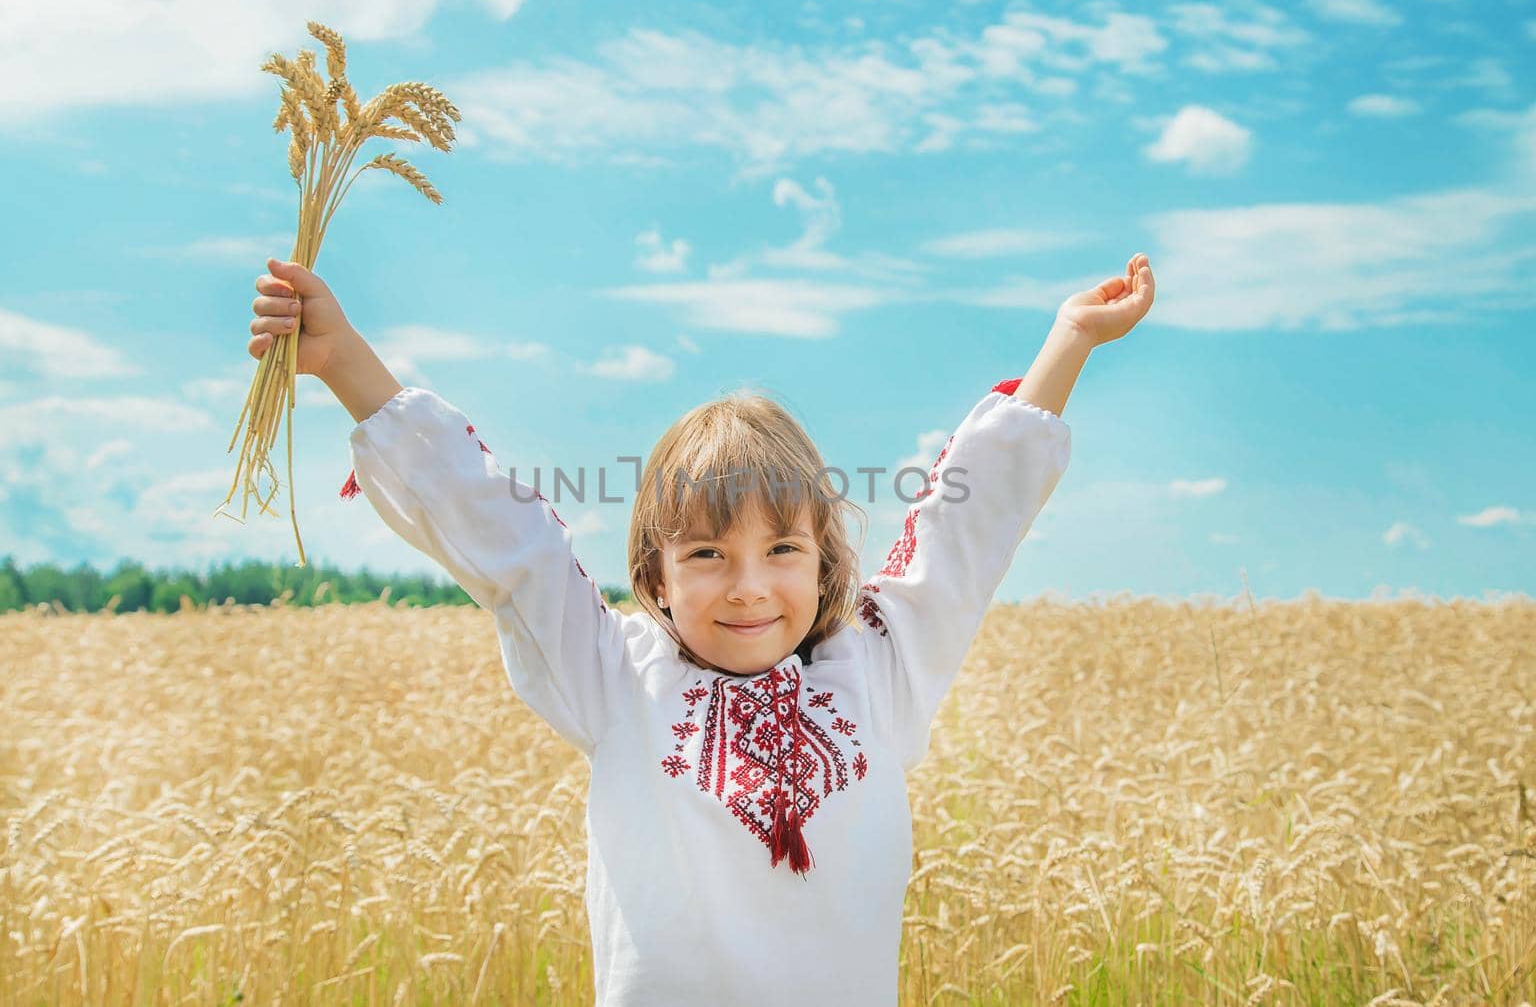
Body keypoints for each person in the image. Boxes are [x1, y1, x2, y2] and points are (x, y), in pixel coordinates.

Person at [245, 252, 1155, 1005]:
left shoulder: (879, 666)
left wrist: (1069, 340)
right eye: (709, 555)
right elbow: (505, 536)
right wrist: (344, 363)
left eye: (784, 548)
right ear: (654, 577)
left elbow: (968, 526)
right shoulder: (613, 675)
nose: (750, 588)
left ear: (829, 563)